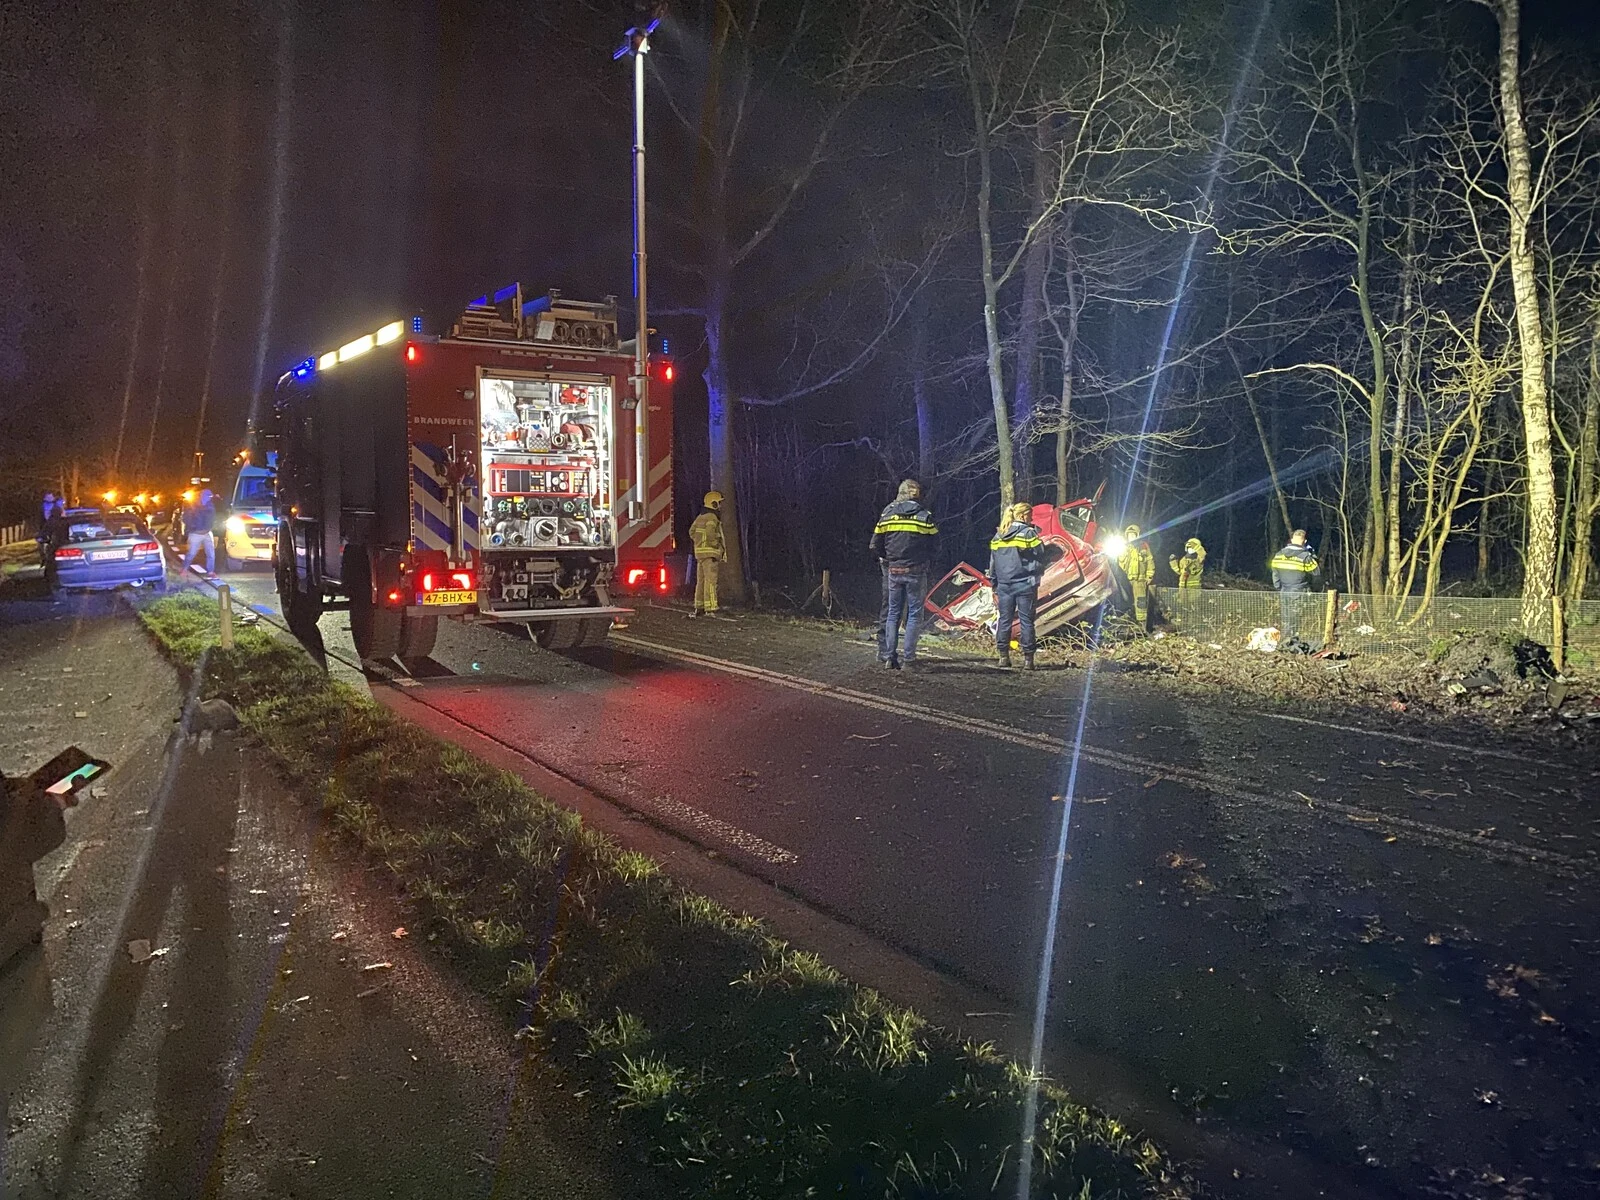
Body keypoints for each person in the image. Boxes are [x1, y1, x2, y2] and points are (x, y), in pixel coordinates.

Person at [870, 479, 938, 670]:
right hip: (916, 570)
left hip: (893, 569)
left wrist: (886, 559)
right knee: (915, 615)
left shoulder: (888, 513)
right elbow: (935, 546)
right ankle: (909, 659)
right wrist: (925, 561)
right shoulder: (925, 516)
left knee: (892, 613)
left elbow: (875, 544)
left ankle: (889, 657)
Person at [988, 501, 1044, 670]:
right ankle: (1028, 660)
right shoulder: (1028, 534)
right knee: (1026, 621)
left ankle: (1003, 657)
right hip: (1025, 584)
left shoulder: (998, 536)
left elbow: (993, 563)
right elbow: (1041, 553)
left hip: (1004, 585)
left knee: (1004, 620)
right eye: (1030, 515)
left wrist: (994, 582)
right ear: (1022, 516)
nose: (1032, 517)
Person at [1270, 528, 1322, 649]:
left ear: (1292, 540)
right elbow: (1317, 573)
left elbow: (1275, 575)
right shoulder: (1305, 557)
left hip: (1284, 591)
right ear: (1305, 542)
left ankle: (1287, 643)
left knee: (1286, 618)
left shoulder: (1278, 555)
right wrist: (1313, 556)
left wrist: (1279, 588)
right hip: (1300, 591)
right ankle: (1294, 644)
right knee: (1297, 620)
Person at [688, 491, 727, 616]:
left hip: (700, 555)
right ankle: (711, 608)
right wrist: (715, 544)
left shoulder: (700, 517)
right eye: (719, 503)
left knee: (701, 581)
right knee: (711, 582)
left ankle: (699, 606)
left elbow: (691, 532)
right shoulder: (712, 517)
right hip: (710, 555)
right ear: (713, 504)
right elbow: (711, 533)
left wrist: (699, 542)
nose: (720, 506)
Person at [1117, 524, 1155, 627]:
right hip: (1127, 578)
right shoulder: (1125, 547)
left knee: (1141, 601)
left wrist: (1149, 575)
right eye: (1129, 535)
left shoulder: (1143, 546)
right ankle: (1129, 621)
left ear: (1138, 535)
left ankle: (1142, 624)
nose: (1131, 537)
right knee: (1126, 599)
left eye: (1133, 535)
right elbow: (1120, 563)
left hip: (1140, 579)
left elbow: (1150, 561)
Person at [181, 488, 217, 575]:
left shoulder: (210, 505)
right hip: (195, 534)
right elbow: (186, 518)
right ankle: (184, 569)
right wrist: (193, 528)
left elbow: (212, 518)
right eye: (207, 496)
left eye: (210, 496)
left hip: (207, 533)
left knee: (211, 554)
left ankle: (210, 572)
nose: (209, 498)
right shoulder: (193, 506)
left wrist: (209, 527)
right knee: (191, 553)